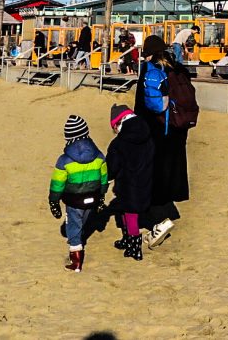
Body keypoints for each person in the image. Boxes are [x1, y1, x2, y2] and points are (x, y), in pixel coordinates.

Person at [134, 36, 191, 248]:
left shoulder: (149, 69)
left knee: (151, 175)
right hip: (178, 129)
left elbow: (141, 104)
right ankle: (167, 209)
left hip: (156, 129)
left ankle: (158, 222)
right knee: (170, 171)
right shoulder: (178, 68)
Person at [48, 115, 108, 272]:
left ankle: (76, 262)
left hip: (74, 201)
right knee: (84, 221)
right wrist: (102, 196)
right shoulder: (99, 155)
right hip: (93, 197)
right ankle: (80, 241)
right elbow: (104, 179)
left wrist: (53, 201)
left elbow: (57, 184)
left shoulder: (64, 161)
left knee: (74, 226)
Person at [106, 105, 154, 261]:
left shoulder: (119, 143)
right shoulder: (147, 134)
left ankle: (135, 247)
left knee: (130, 215)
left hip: (127, 184)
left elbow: (111, 167)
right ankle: (128, 241)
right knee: (128, 212)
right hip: (145, 180)